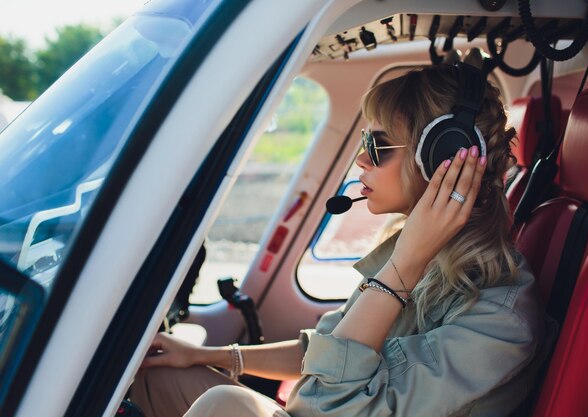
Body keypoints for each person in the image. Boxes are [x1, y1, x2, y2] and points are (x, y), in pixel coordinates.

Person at [131, 64, 552, 417]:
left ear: (443, 156)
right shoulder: (422, 257)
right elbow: (328, 353)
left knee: (222, 403)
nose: (361, 160)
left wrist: (402, 268)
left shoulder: (499, 321)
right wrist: (210, 356)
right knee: (157, 373)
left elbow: (325, 402)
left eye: (378, 145)